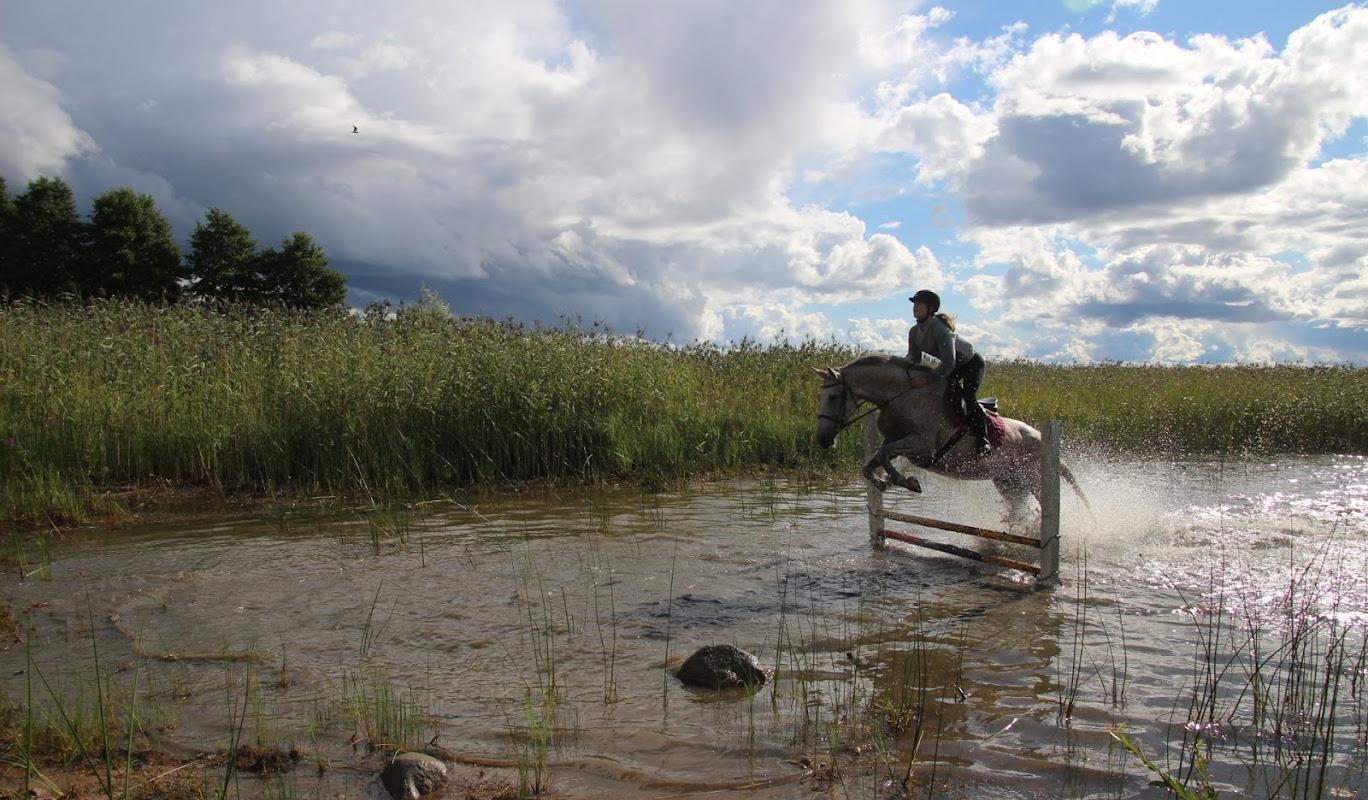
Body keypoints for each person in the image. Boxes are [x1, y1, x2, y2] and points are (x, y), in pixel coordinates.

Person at [906, 289, 992, 456]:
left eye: (919, 304)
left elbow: (948, 364)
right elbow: (912, 360)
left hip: (970, 363)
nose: (915, 307)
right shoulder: (914, 332)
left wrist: (927, 379)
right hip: (953, 366)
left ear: (930, 308)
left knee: (968, 396)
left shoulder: (940, 328)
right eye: (914, 304)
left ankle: (983, 440)